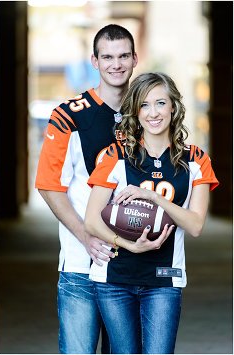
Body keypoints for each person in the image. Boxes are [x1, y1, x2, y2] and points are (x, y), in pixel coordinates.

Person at [84, 72, 218, 354]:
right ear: (135, 111)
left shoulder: (196, 159)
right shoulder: (115, 155)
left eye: (160, 103)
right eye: (144, 105)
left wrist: (154, 197)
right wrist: (129, 244)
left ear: (174, 107)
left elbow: (195, 225)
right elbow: (92, 220)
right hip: (115, 279)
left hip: (164, 280)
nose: (153, 113)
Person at [35, 24, 138, 353]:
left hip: (134, 268)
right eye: (107, 57)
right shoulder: (69, 116)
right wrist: (86, 237)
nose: (116, 64)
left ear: (135, 59)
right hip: (82, 265)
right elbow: (48, 186)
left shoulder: (148, 115)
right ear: (94, 61)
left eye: (123, 56)